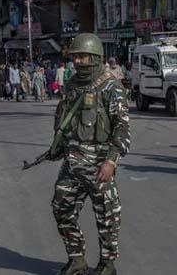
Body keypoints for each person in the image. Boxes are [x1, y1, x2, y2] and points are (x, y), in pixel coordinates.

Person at [50, 33, 130, 275]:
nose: (78, 61)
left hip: (98, 163)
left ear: (95, 57)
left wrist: (110, 161)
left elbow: (122, 126)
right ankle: (77, 259)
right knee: (61, 208)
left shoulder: (110, 85)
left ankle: (107, 264)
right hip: (72, 162)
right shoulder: (72, 84)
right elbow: (64, 118)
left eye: (83, 56)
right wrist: (58, 146)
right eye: (75, 57)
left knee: (107, 215)